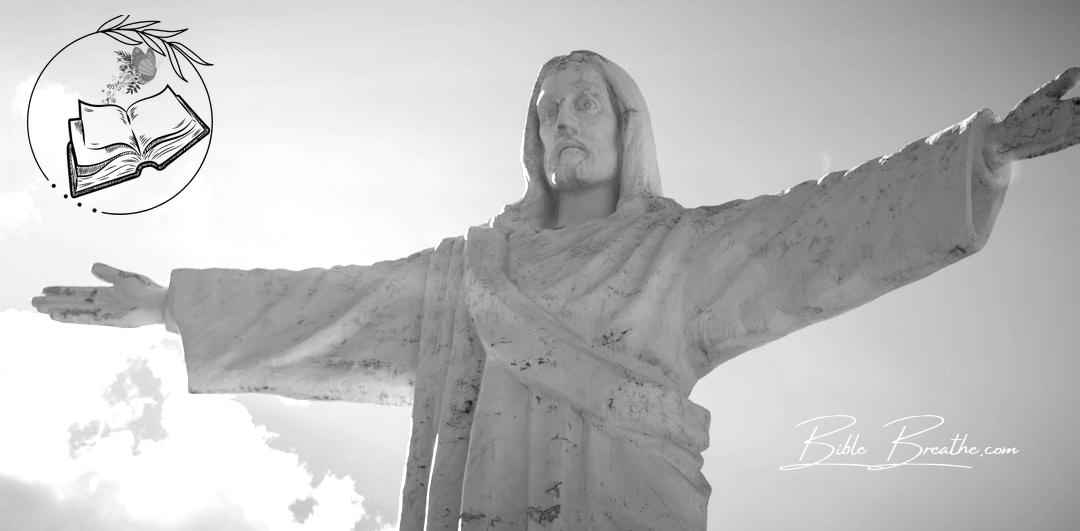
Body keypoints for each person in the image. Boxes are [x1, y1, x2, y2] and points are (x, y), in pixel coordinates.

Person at [32, 51, 1080, 530]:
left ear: (629, 128)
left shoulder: (688, 253)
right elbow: (333, 302)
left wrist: (985, 153)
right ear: (533, 139)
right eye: (548, 110)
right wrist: (173, 303)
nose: (566, 120)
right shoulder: (469, 270)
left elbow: (828, 226)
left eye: (588, 103)